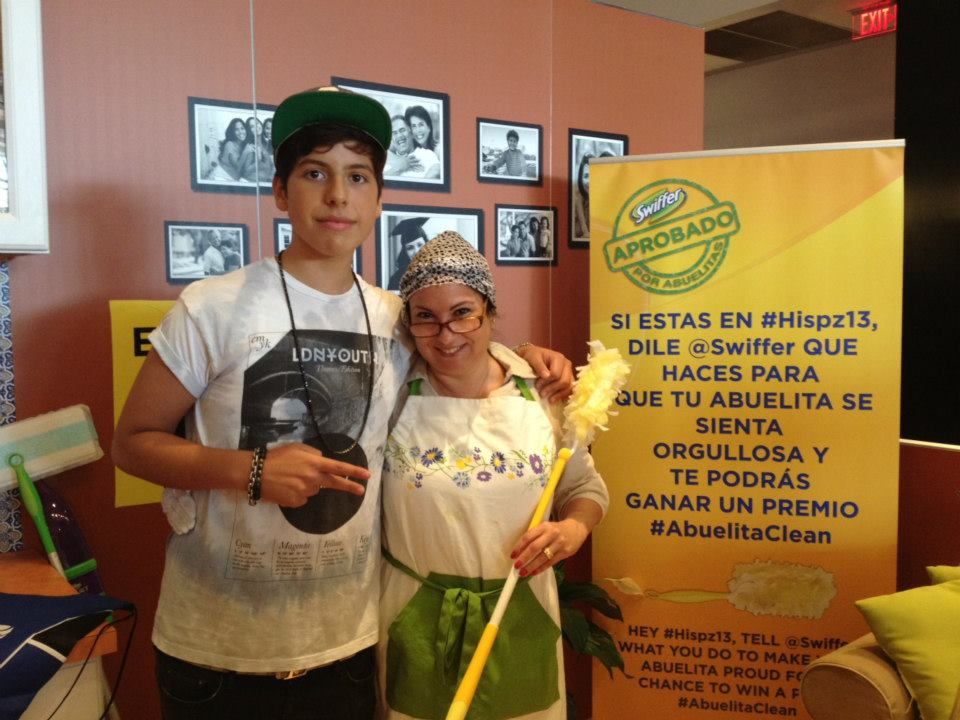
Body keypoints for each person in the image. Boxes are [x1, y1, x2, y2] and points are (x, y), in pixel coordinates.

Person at [112, 86, 573, 720]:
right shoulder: (211, 307)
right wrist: (251, 470)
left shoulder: (396, 319)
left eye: (357, 176)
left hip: (347, 648)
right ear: (281, 191)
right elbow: (132, 443)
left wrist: (528, 356)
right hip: (217, 650)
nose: (337, 195)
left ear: (378, 200)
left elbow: (461, 347)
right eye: (314, 173)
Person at [378, 232, 608, 719]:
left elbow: (584, 488)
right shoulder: (391, 395)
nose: (446, 335)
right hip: (416, 618)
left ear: (490, 311)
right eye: (426, 317)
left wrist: (573, 528)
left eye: (463, 312)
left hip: (519, 615)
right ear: (409, 324)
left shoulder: (540, 393)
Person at [401, 106, 441, 179]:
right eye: (414, 126)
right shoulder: (410, 154)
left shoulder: (439, 149)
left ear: (429, 127)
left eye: (421, 125)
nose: (418, 130)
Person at [207, 117, 249, 182]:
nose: (240, 132)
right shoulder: (229, 144)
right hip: (220, 177)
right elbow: (238, 167)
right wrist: (245, 152)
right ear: (232, 132)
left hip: (233, 180)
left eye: (242, 128)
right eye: (236, 130)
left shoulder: (243, 146)